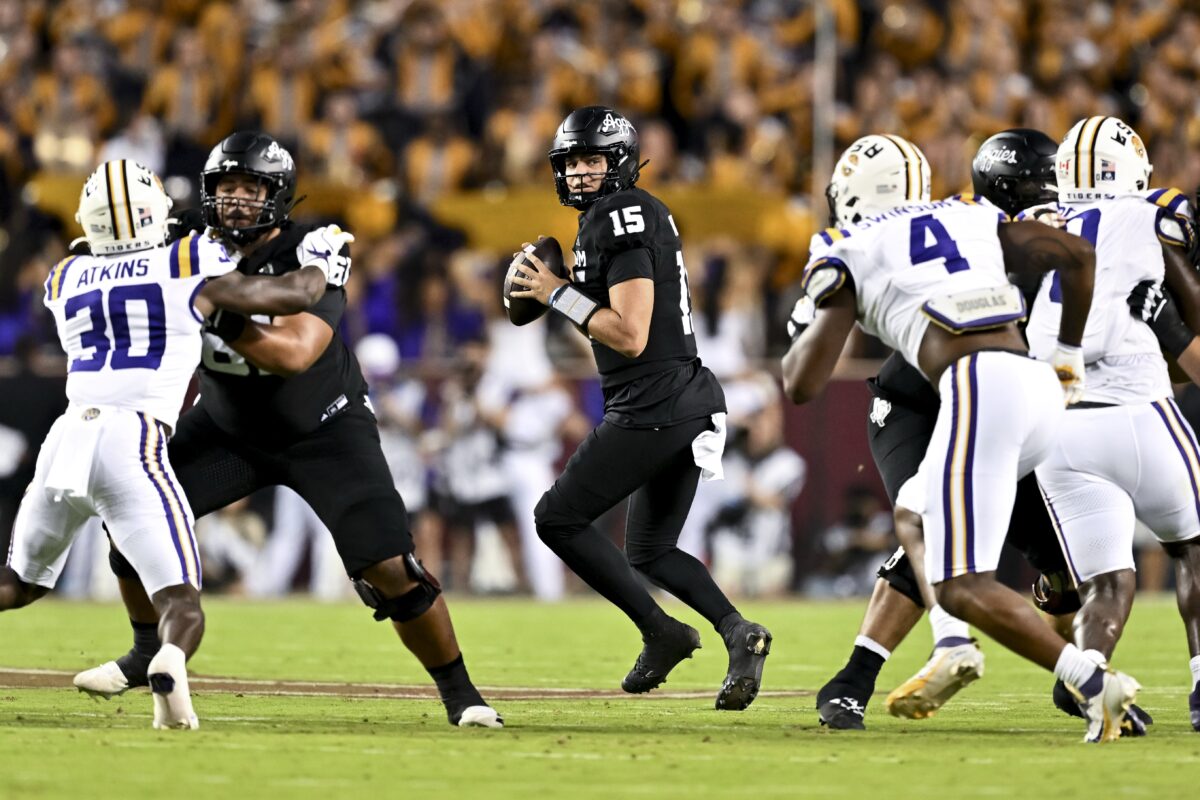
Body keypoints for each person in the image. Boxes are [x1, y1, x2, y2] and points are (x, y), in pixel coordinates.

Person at [71, 133, 502, 729]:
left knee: (392, 570)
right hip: (229, 427)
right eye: (227, 188)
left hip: (324, 428)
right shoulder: (181, 243)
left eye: (252, 189)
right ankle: (148, 653)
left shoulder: (313, 249)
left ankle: (462, 696)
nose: (238, 201)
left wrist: (215, 313)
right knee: (130, 518)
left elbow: (297, 352)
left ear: (279, 196)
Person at [782, 132, 1140, 743]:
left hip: (976, 387)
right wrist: (1069, 357)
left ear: (852, 196)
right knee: (916, 511)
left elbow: (802, 384)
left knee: (961, 584)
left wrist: (817, 311)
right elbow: (1078, 255)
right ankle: (963, 648)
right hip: (1035, 389)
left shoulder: (851, 243)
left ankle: (1091, 684)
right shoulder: (968, 213)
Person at [2, 158, 337, 728]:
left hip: (67, 438)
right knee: (181, 602)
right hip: (133, 439)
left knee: (17, 583)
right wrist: (323, 267)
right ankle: (171, 662)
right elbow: (286, 297)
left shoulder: (63, 276)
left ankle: (158, 666)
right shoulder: (184, 261)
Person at [509, 106, 771, 710]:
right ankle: (739, 633)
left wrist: (555, 294)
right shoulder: (615, 216)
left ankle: (663, 631)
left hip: (655, 401)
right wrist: (566, 295)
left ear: (619, 162)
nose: (578, 173)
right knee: (650, 550)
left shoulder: (619, 214)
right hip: (680, 397)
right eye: (571, 162)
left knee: (557, 518)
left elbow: (628, 333)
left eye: (592, 159)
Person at [1024, 116, 1200, 733]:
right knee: (1194, 549)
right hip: (1139, 412)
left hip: (1059, 427)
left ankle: (1091, 675)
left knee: (1107, 580)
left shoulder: (1032, 223)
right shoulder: (1152, 208)